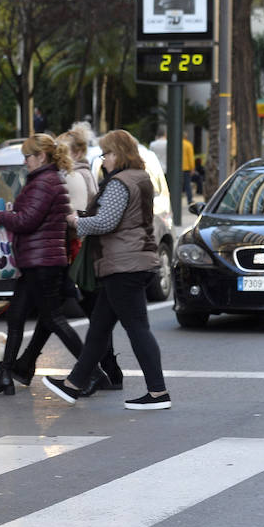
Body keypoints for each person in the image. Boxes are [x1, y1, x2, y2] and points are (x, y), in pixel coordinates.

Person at [45, 130, 171, 410]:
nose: (104, 160)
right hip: (132, 260)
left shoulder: (120, 183)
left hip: (123, 264)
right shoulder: (141, 178)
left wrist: (76, 221)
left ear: (119, 153)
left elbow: (106, 222)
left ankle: (158, 392)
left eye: (107, 154)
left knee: (137, 329)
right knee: (99, 328)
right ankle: (74, 384)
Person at [8, 124, 121, 390]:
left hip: (61, 255)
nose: (25, 162)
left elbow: (42, 219)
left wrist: (5, 215)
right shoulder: (82, 175)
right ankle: (21, 367)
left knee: (67, 317)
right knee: (56, 317)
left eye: (28, 157)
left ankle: (96, 374)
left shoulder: (64, 178)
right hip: (65, 254)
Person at [0, 134, 85, 396]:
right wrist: (12, 211)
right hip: (38, 260)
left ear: (41, 157)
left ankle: (90, 371)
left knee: (54, 319)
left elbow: (27, 221)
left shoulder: (44, 182)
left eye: (28, 156)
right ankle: (5, 376)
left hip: (42, 262)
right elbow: (33, 216)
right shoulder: (46, 180)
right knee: (16, 316)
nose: (24, 162)